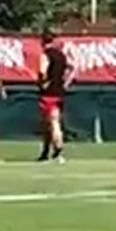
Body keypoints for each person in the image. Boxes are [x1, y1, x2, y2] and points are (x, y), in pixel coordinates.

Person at [37, 31, 73, 163]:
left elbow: (43, 71)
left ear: (42, 42)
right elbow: (72, 68)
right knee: (51, 123)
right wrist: (66, 83)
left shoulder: (45, 55)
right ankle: (46, 152)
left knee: (52, 122)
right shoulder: (61, 55)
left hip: (48, 94)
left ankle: (58, 147)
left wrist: (43, 82)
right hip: (59, 93)